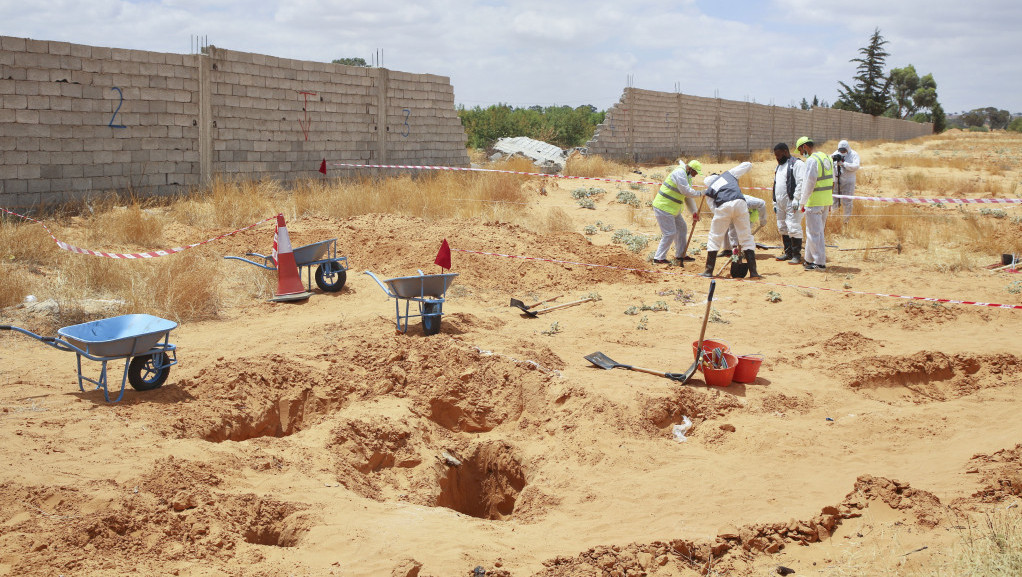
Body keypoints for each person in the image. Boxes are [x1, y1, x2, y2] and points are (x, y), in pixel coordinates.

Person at [698, 161, 762, 279]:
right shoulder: (729, 174)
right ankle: (754, 272)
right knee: (746, 237)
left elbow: (714, 210)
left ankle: (708, 271)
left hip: (723, 206)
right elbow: (747, 165)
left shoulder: (709, 191)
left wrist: (727, 218)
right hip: (740, 203)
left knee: (715, 237)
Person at [652, 159, 703, 265]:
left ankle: (681, 255)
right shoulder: (679, 173)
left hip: (673, 209)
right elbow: (686, 191)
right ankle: (659, 258)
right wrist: (702, 193)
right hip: (664, 207)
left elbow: (687, 197)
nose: (695, 175)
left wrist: (694, 211)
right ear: (690, 169)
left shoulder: (687, 177)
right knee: (669, 233)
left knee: (682, 228)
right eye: (695, 173)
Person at [794, 136, 835, 271]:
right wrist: (829, 202)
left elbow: (809, 183)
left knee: (814, 233)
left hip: (814, 201)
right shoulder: (827, 157)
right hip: (825, 201)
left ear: (805, 146)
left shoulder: (812, 160)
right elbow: (833, 181)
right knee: (816, 232)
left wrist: (803, 202)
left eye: (800, 150)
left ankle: (819, 262)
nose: (801, 154)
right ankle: (809, 259)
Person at [771, 143, 805, 264]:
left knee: (793, 227)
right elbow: (776, 184)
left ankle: (796, 255)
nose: (777, 158)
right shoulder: (779, 167)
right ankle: (788, 252)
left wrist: (797, 199)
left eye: (779, 155)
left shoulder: (797, 164)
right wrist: (774, 201)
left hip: (792, 203)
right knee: (782, 227)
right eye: (776, 156)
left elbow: (801, 183)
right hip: (780, 203)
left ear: (785, 152)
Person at [830, 139, 860, 223]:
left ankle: (846, 221)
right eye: (841, 150)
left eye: (844, 150)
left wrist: (844, 164)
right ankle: (834, 220)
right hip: (837, 181)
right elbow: (829, 163)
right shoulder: (835, 153)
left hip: (848, 182)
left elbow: (856, 166)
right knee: (834, 201)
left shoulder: (854, 154)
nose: (842, 152)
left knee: (847, 202)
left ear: (847, 149)